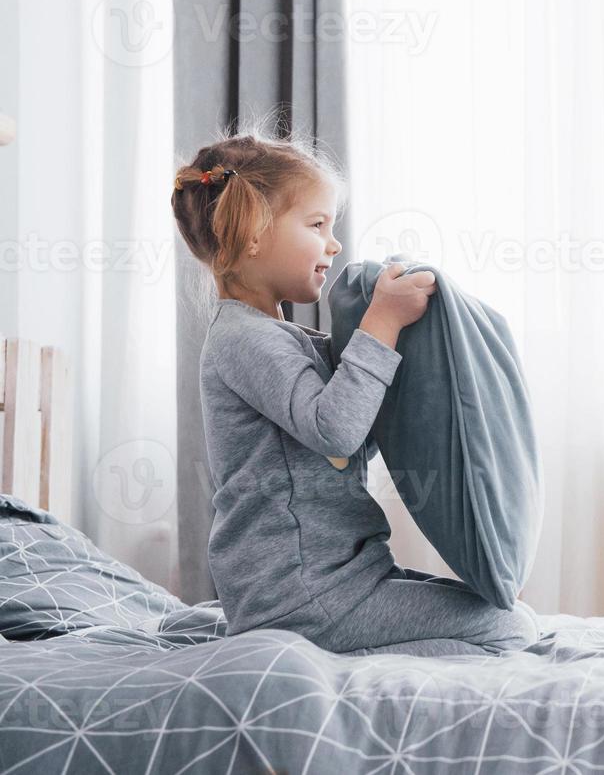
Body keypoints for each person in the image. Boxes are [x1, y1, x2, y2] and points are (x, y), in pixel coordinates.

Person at [171, 126, 538, 657]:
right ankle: (352, 671)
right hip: (303, 598)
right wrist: (382, 321)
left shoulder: (280, 338)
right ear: (253, 233)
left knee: (506, 613)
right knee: (510, 630)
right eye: (317, 224)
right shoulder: (241, 341)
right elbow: (337, 432)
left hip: (338, 581)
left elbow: (355, 438)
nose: (334, 243)